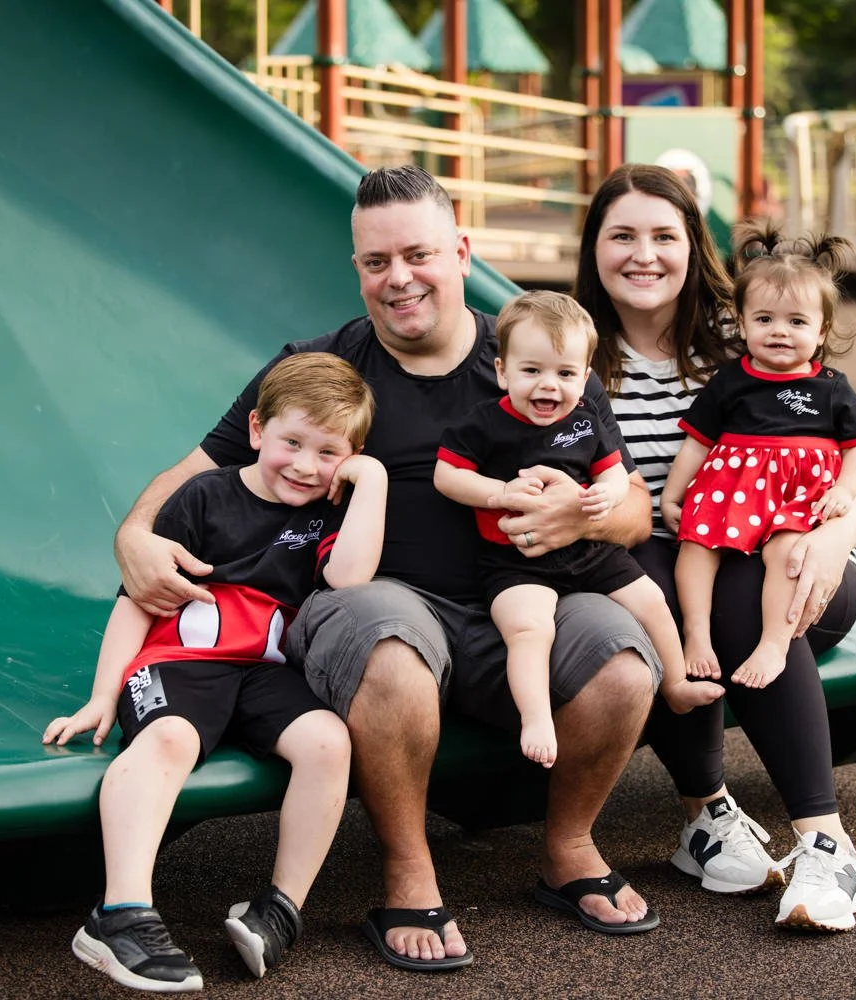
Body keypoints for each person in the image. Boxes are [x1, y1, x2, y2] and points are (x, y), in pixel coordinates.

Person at [113, 164, 664, 971]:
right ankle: (407, 867)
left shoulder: (536, 358)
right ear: (357, 270)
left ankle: (569, 844)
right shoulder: (324, 368)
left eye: (418, 254)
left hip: (523, 600)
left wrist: (584, 512)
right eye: (376, 262)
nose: (398, 279)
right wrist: (135, 535)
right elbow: (195, 470)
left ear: (461, 251)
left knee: (621, 660)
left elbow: (635, 508)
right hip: (372, 603)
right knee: (390, 639)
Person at [575, 163, 856, 932]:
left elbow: (848, 459)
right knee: (658, 588)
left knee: (733, 582)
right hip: (659, 562)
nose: (644, 254)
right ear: (593, 248)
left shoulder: (748, 332)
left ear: (691, 246)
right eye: (622, 235)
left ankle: (825, 841)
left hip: (798, 562)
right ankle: (707, 813)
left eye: (664, 235)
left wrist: (835, 539)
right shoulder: (571, 357)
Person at [43, 352, 386, 991]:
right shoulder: (205, 496)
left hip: (260, 672)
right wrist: (102, 694)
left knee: (328, 742)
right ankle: (118, 915)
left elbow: (348, 577)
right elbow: (137, 600)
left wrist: (374, 481)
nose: (307, 466)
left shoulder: (330, 512)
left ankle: (280, 910)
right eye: (291, 443)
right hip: (182, 663)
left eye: (330, 452)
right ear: (256, 430)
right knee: (170, 740)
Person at [435, 290, 722, 768]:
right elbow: (447, 475)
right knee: (529, 629)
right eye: (532, 372)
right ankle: (536, 717)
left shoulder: (585, 420)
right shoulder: (483, 423)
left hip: (588, 550)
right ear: (503, 371)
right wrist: (497, 493)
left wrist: (608, 493)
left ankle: (675, 683)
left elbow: (613, 470)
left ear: (585, 377)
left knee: (651, 599)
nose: (549, 386)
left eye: (565, 374)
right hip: (514, 561)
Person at [664, 222, 856, 693]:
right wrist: (673, 496)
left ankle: (774, 643)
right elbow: (697, 443)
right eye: (764, 320)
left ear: (820, 332)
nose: (779, 332)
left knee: (789, 555)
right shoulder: (730, 381)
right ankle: (696, 634)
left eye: (796, 322)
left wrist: (844, 491)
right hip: (731, 490)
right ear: (742, 324)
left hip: (796, 499)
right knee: (697, 547)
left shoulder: (832, 388)